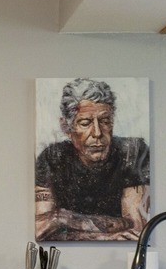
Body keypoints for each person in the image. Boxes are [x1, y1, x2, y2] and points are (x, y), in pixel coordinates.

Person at [35, 78, 150, 241]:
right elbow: (41, 230)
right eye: (85, 123)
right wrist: (107, 236)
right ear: (66, 127)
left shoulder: (133, 152)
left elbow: (136, 229)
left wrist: (66, 219)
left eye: (105, 121)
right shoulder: (52, 157)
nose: (97, 133)